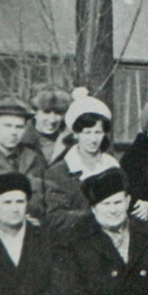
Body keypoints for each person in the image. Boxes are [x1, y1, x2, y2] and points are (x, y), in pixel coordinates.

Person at [43, 91, 122, 226]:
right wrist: (94, 216)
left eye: (98, 132)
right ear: (76, 134)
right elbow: (55, 217)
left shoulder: (112, 166)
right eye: (87, 132)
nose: (93, 139)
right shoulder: (58, 172)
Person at [0, 97, 47, 218]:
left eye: (19, 127)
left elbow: (47, 199)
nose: (13, 132)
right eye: (7, 125)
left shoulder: (35, 157)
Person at [26, 85, 72, 165]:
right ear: (34, 112)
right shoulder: (20, 139)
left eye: (58, 113)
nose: (52, 120)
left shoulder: (70, 141)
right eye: (46, 112)